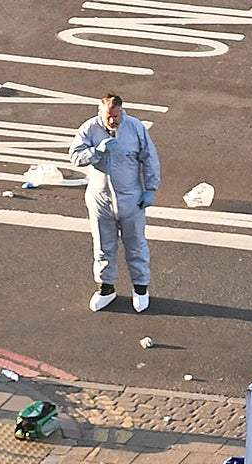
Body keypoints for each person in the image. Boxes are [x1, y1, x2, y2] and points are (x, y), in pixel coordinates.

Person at [70, 93, 160, 313]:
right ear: (101, 111)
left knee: (136, 245)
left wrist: (151, 189)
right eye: (108, 116)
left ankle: (140, 289)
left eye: (116, 116)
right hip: (101, 201)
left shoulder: (135, 128)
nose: (112, 121)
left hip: (131, 201)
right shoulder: (89, 129)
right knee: (103, 246)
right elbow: (74, 156)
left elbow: (150, 158)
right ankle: (106, 288)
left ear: (122, 111)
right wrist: (96, 151)